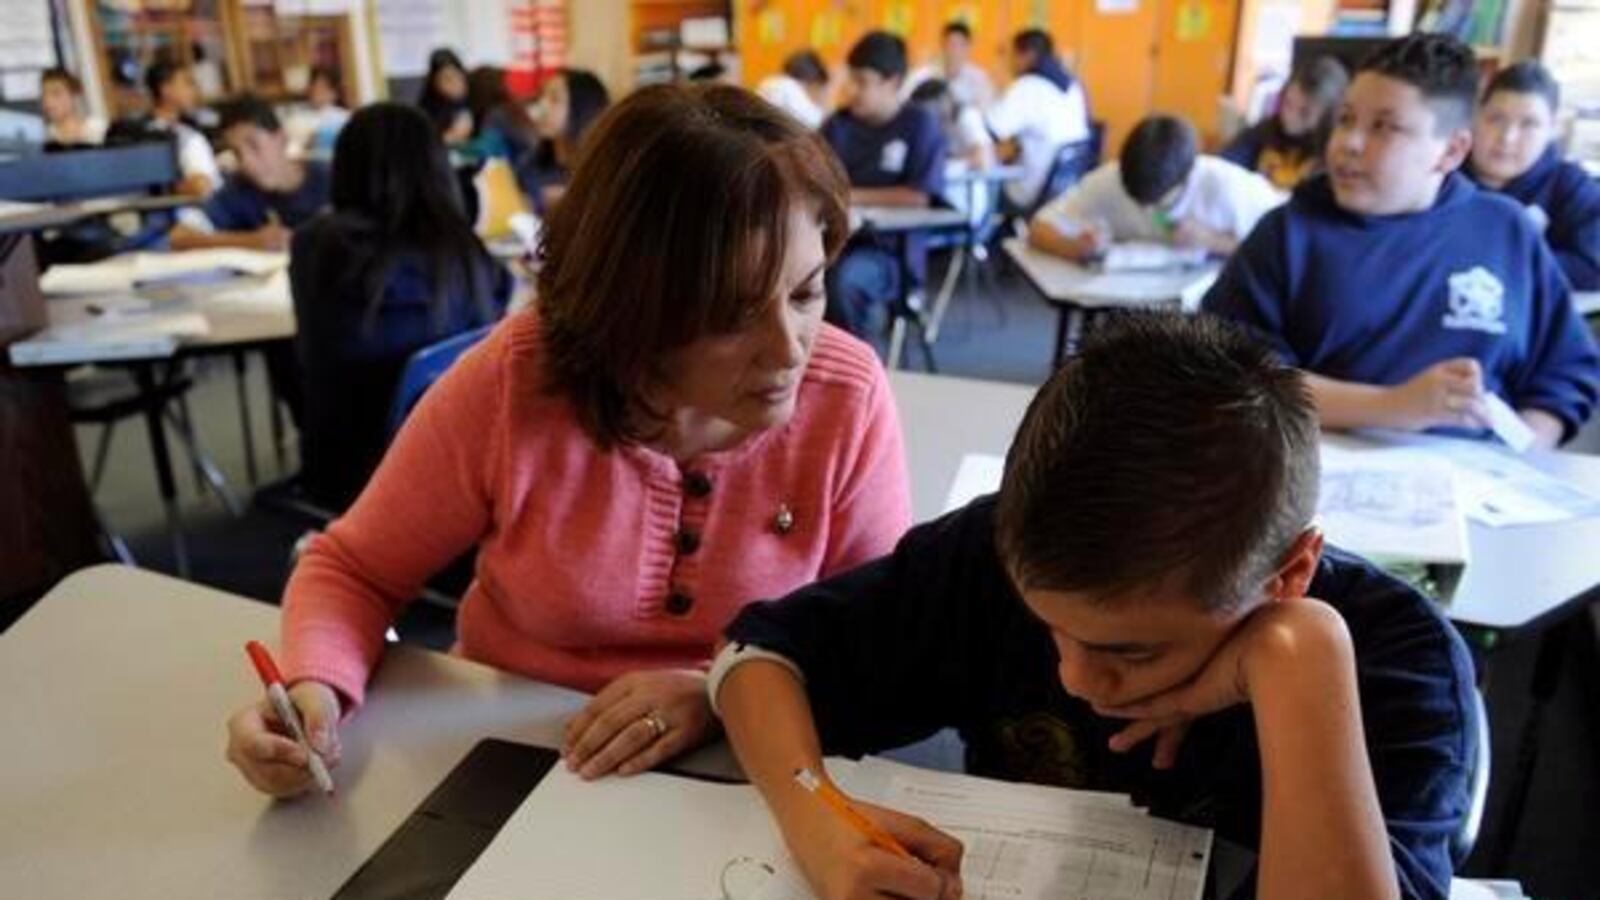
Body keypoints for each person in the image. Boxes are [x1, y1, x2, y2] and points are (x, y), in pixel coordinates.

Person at [223, 83, 911, 798]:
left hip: (750, 761)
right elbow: (354, 569)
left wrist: (718, 693)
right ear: (631, 309)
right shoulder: (518, 381)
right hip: (513, 747)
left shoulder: (847, 394)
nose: (788, 349)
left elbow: (881, 637)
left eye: (806, 292)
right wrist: (314, 690)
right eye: (732, 316)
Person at [713, 313, 1478, 900]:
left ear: (1288, 574)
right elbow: (764, 655)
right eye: (1048, 627)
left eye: (1130, 653)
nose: (1076, 676)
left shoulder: (1398, 665)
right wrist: (814, 818)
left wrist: (1298, 658)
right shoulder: (998, 551)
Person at [1204, 35, 1599, 450]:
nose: (1349, 143)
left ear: (1451, 150)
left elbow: (1565, 368)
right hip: (1321, 477)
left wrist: (1529, 449)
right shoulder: (1288, 234)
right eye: (1346, 119)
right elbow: (1236, 375)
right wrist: (1395, 406)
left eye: (1384, 127)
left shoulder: (1507, 231)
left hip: (1482, 488)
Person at [283, 102, 510, 509]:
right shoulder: (465, 251)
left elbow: (310, 353)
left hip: (355, 476)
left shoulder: (317, 246)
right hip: (464, 473)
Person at [819, 31, 948, 338]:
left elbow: (919, 196)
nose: (852, 90)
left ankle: (860, 374)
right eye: (850, 79)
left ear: (892, 82)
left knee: (844, 284)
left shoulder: (920, 125)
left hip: (892, 252)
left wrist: (849, 196)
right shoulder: (838, 125)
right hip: (836, 241)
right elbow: (813, 181)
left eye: (862, 81)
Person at [1029, 115, 1283, 263]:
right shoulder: (1111, 179)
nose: (1148, 211)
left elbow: (1282, 252)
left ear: (1188, 175)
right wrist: (1075, 248)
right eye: (1136, 200)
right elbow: (1039, 227)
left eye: (1160, 204)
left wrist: (1214, 241)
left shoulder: (1228, 186)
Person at [1467, 60, 1600, 292]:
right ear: (1476, 117)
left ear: (1551, 129)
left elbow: (1594, 266)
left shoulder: (1569, 185)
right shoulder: (1441, 175)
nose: (1507, 137)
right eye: (1496, 119)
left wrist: (1497, 264)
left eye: (1529, 124)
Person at [169, 95, 331, 252]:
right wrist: (251, 241)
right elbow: (179, 237)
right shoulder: (238, 189)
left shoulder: (332, 177)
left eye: (253, 145)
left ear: (282, 138)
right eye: (237, 153)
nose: (246, 162)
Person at [986, 28, 1090, 212]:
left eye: (1013, 55)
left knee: (976, 192)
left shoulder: (1027, 86)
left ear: (1027, 56)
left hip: (1030, 191)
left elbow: (989, 131)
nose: (1010, 62)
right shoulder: (1073, 86)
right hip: (1065, 192)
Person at [1222, 56, 1348, 190]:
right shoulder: (1265, 130)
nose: (1290, 116)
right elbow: (1226, 165)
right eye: (1287, 103)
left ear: (1328, 119)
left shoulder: (1330, 159)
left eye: (1305, 113)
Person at [124, 58, 221, 196]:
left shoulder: (190, 127)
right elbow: (202, 187)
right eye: (187, 83)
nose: (194, 90)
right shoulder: (182, 136)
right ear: (166, 89)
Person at [525, 68, 611, 209]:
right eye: (541, 97)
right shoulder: (530, 164)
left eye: (555, 99)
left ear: (582, 108)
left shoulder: (602, 174)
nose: (541, 107)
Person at [906, 20, 994, 109]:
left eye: (961, 45)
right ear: (942, 45)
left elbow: (985, 109)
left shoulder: (979, 78)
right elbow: (907, 101)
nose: (955, 51)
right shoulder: (925, 74)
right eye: (951, 44)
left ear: (968, 48)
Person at [283, 65, 351, 158]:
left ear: (335, 93)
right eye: (314, 86)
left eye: (323, 87)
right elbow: (291, 152)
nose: (317, 91)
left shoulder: (344, 117)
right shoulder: (296, 119)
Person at [757, 50, 831, 130]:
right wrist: (831, 93)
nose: (818, 95)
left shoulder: (769, 82)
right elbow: (817, 123)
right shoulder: (787, 87)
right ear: (813, 82)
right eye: (819, 89)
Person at [417, 48, 472, 144]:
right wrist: (450, 137)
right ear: (435, 83)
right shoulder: (427, 111)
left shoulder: (477, 99)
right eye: (447, 79)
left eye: (458, 76)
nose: (455, 83)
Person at [39, 67, 106, 147]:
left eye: (56, 93)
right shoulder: (44, 139)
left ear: (73, 95)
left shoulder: (99, 130)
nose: (48, 101)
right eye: (44, 95)